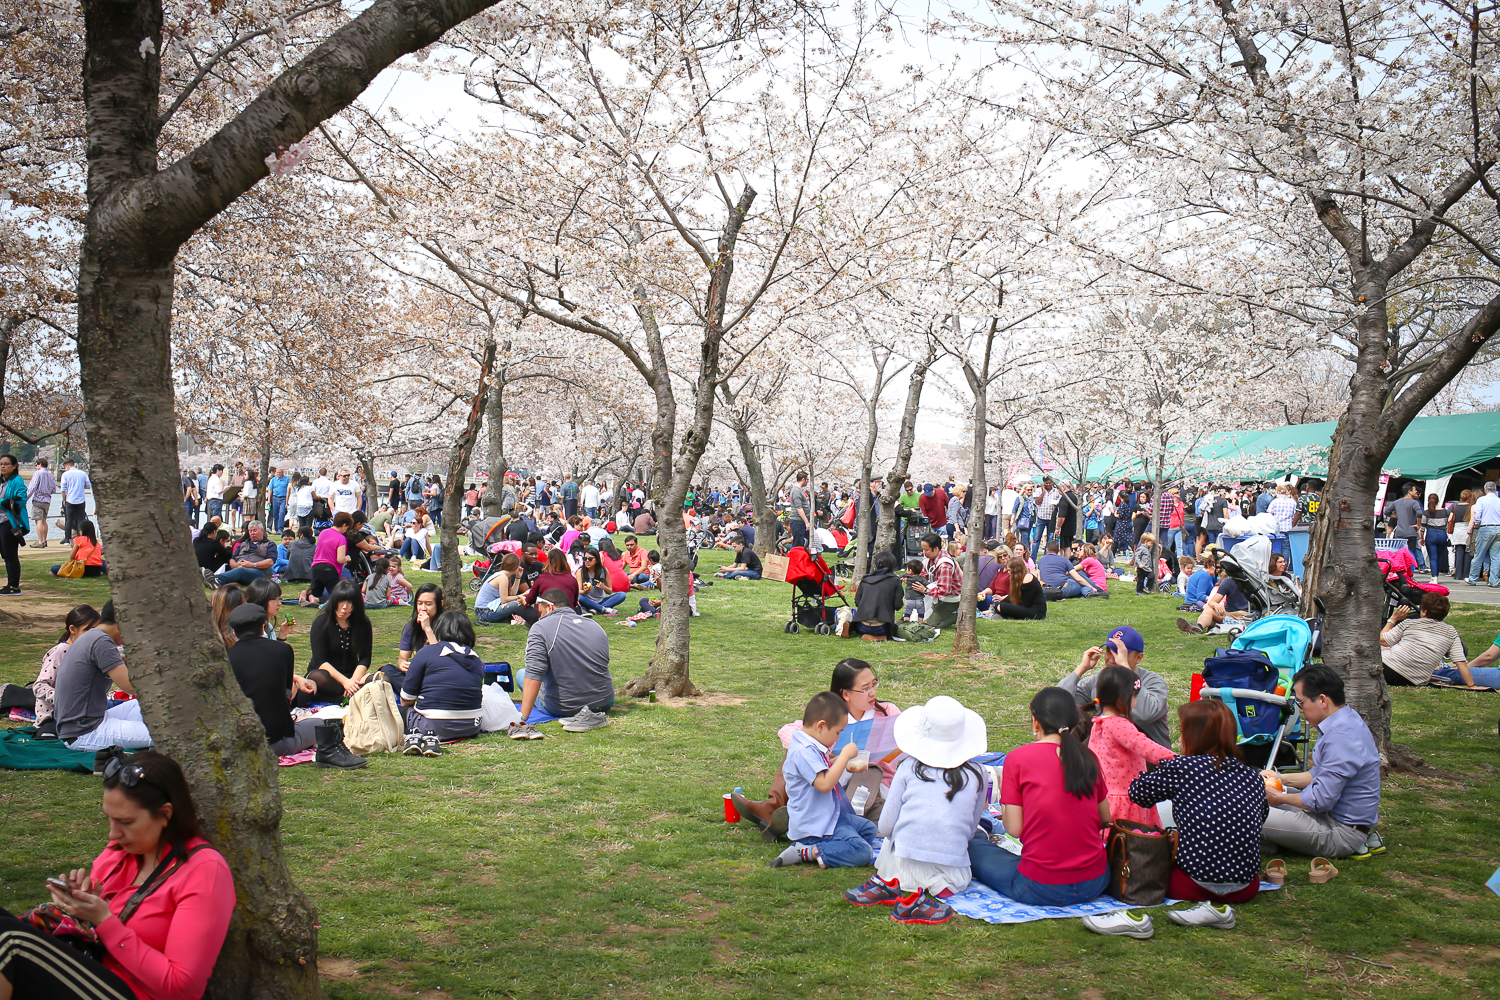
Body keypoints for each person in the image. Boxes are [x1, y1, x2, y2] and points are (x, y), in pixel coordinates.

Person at [0, 750, 235, 1000]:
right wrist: (79, 904)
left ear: (165, 814)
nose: (113, 834)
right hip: (88, 972)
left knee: (10, 939)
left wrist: (104, 920)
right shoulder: (120, 851)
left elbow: (180, 987)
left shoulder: (204, 870)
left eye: (126, 822)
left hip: (135, 993)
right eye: (109, 819)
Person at [1113, 700, 1269, 933]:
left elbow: (1138, 793)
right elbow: (1261, 817)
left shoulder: (1183, 768)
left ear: (1194, 735)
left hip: (1191, 884)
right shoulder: (1253, 777)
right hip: (1246, 887)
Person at [843, 695, 988, 924]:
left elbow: (886, 826)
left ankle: (895, 886)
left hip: (900, 868)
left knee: (894, 840)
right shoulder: (979, 773)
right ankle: (932, 888)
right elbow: (970, 829)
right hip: (953, 874)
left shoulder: (909, 767)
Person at [968, 687, 1110, 906]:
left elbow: (1014, 829)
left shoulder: (1018, 758)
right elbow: (1105, 818)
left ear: (1035, 721)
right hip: (1096, 881)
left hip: (1040, 886)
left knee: (971, 845)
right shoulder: (1088, 758)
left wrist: (1007, 799)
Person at [1260, 664, 1383, 859]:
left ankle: (1266, 842)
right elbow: (1318, 774)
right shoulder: (1346, 720)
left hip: (1339, 832)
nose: (1300, 710)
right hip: (1329, 817)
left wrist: (1279, 798)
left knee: (1243, 813)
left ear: (1323, 700)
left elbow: (1318, 800)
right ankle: (1269, 841)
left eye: (1301, 703)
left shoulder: (1341, 738)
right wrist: (1280, 779)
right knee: (1256, 795)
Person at [224, 603, 361, 764]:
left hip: (239, 741)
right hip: (276, 741)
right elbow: (287, 692)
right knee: (319, 723)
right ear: (262, 627)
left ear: (234, 632)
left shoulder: (226, 658)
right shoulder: (282, 650)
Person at [768, 691, 879, 870]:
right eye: (837, 733)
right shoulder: (803, 751)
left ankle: (841, 843)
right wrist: (844, 755)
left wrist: (841, 762)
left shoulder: (811, 746)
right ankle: (806, 851)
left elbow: (822, 771)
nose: (837, 738)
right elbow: (824, 784)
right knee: (863, 851)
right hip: (814, 827)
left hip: (828, 816)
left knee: (869, 829)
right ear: (821, 726)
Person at [510, 588, 614, 737]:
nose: (540, 616)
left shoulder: (540, 627)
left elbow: (534, 672)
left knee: (522, 674)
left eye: (541, 612)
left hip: (564, 706)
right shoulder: (595, 625)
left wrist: (522, 718)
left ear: (549, 607)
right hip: (604, 701)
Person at [55, 601, 153, 751]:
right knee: (170, 735)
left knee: (144, 705)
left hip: (87, 721)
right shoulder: (101, 642)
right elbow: (130, 686)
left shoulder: (92, 636)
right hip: (84, 732)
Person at [1088, 665, 1176, 826]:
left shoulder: (1098, 724)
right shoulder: (1119, 725)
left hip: (1106, 799)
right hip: (1128, 800)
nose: (1136, 702)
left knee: (1113, 839)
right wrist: (1176, 760)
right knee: (1134, 839)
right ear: (1122, 698)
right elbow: (1146, 747)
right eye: (1135, 696)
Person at [1058, 625, 1171, 748]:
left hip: (1147, 752)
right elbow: (1056, 705)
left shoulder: (1152, 681)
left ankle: (1080, 758)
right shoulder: (1097, 680)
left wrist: (1125, 670)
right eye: (1109, 651)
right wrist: (1080, 669)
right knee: (1072, 714)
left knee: (1107, 730)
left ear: (1138, 658)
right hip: (1106, 749)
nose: (1112, 659)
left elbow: (1146, 714)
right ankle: (1065, 758)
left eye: (1120, 653)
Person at [399, 609, 485, 756]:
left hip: (434, 725)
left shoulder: (427, 652)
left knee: (391, 709)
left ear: (438, 629)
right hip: (471, 726)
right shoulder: (476, 658)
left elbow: (406, 700)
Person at [13, 604, 99, 739]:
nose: (93, 636)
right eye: (87, 631)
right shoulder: (61, 652)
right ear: (72, 629)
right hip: (55, 719)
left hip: (81, 713)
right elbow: (39, 686)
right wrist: (66, 699)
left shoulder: (87, 651)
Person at [1379, 593, 1484, 687]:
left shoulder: (1410, 623)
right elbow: (1460, 661)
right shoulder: (1451, 632)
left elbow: (1382, 640)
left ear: (1424, 612)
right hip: (1414, 680)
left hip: (1386, 669)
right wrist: (1471, 685)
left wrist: (1393, 619)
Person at [301, 580, 372, 703]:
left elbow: (365, 658)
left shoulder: (363, 623)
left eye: (350, 602)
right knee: (319, 677)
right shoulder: (321, 622)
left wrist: (352, 682)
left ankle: (347, 695)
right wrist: (345, 682)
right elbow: (320, 661)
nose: (345, 607)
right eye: (341, 601)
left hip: (352, 675)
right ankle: (347, 697)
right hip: (327, 676)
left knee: (380, 679)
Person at [1177, 557, 1250, 634]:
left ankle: (1202, 625)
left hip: (1248, 616)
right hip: (1229, 614)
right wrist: (1216, 605)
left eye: (1221, 568)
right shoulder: (1222, 580)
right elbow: (1206, 599)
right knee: (1209, 608)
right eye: (1217, 567)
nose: (1219, 570)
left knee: (1207, 608)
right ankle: (1198, 627)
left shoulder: (1211, 576)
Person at [849, 551, 902, 640]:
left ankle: (855, 629)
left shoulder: (865, 579)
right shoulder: (895, 580)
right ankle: (879, 637)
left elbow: (858, 602)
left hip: (861, 625)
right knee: (893, 629)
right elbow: (898, 605)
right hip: (882, 627)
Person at [304, 511, 353, 605]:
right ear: (343, 525)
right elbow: (340, 559)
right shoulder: (341, 538)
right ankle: (318, 600)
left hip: (316, 566)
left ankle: (311, 598)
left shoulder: (323, 533)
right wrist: (347, 558)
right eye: (347, 528)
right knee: (337, 597)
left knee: (316, 593)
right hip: (330, 568)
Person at [0, 454, 29, 596]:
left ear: (14, 466)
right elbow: (5, 501)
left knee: (10, 555)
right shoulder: (1, 481)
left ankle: (13, 586)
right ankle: (10, 584)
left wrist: (5, 502)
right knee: (5, 554)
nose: (3, 466)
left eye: (6, 464)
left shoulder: (17, 480)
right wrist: (3, 502)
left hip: (9, 522)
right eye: (1, 464)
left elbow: (21, 499)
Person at [919, 532, 961, 629]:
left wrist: (925, 590)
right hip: (939, 597)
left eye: (926, 550)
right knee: (921, 619)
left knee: (931, 626)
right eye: (923, 549)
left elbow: (945, 591)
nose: (924, 552)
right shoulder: (931, 559)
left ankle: (957, 615)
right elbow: (924, 575)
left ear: (936, 549)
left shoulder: (945, 565)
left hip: (951, 599)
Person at [215, 520, 275, 586]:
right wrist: (236, 565)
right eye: (250, 531)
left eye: (255, 530)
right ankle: (215, 580)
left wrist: (252, 565)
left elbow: (270, 562)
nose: (252, 533)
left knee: (240, 571)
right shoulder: (243, 544)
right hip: (239, 569)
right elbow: (232, 559)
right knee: (239, 570)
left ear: (261, 530)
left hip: (258, 572)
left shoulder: (269, 544)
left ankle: (216, 579)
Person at [991, 555, 1046, 620]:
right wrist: (995, 607)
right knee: (1001, 605)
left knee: (1002, 607)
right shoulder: (1020, 579)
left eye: (1009, 570)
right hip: (1026, 609)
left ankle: (1002, 615)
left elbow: (1025, 603)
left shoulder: (1027, 578)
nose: (1008, 573)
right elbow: (1011, 597)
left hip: (1036, 612)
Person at [576, 548, 626, 616]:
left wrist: (603, 587)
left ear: (597, 560)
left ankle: (595, 608)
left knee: (622, 595)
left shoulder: (604, 571)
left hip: (601, 600)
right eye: (585, 559)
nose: (587, 561)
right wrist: (585, 591)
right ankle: (603, 609)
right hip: (587, 601)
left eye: (590, 559)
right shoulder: (580, 571)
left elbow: (609, 591)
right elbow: (578, 591)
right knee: (579, 597)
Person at [26, 457, 56, 548]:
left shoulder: (38, 473)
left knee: (38, 520)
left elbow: (32, 487)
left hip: (38, 499)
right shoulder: (51, 475)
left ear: (40, 464)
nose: (36, 467)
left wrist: (26, 498)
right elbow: (54, 489)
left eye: (36, 465)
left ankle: (40, 541)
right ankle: (44, 540)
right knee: (44, 520)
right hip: (47, 500)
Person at [59, 458, 92, 542]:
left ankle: (67, 538)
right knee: (80, 519)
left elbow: (63, 489)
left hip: (70, 499)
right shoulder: (83, 473)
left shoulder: (65, 475)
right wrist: (80, 486)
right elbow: (88, 486)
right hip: (81, 500)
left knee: (69, 520)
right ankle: (80, 538)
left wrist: (64, 499)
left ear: (67, 466)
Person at [1419, 493, 1450, 582]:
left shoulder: (1426, 513)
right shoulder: (1445, 511)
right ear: (1438, 501)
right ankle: (1437, 575)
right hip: (1442, 534)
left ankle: (1434, 577)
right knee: (1438, 556)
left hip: (1431, 534)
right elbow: (1447, 524)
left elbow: (1422, 527)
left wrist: (1421, 538)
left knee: (1433, 557)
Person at [1449, 488, 1473, 581]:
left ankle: (1458, 574)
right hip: (1467, 529)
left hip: (1457, 530)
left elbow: (1449, 518)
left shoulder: (1455, 506)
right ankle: (1466, 574)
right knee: (1468, 553)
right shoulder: (1471, 507)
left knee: (1459, 553)